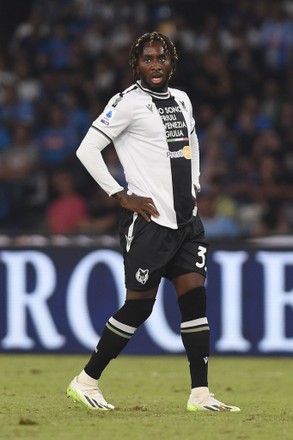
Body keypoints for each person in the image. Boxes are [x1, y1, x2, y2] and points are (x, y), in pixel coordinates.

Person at [67, 31, 240, 413]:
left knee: (195, 302)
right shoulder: (127, 103)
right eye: (148, 59)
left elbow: (189, 146)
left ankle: (200, 394)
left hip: (186, 224)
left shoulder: (182, 100)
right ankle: (86, 380)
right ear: (137, 64)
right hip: (149, 223)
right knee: (139, 308)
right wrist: (121, 195)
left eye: (161, 58)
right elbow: (87, 149)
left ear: (172, 62)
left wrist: (193, 188)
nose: (155, 65)